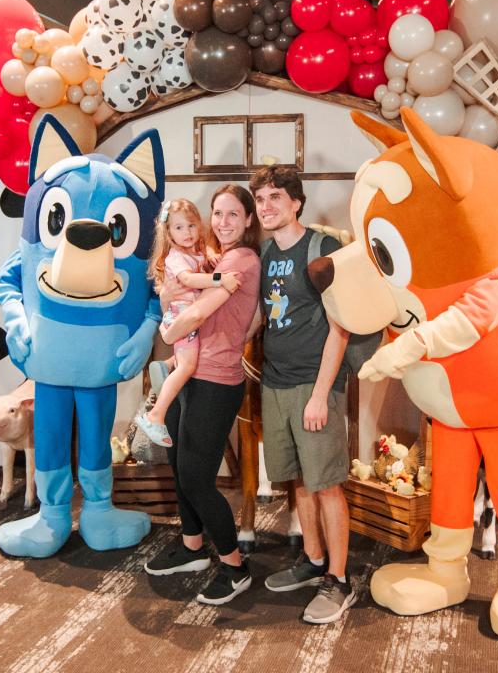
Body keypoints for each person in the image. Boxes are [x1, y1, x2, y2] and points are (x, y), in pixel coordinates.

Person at [143, 185, 261, 606]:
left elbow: (194, 314)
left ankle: (234, 566)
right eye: (218, 213)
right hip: (189, 374)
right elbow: (175, 293)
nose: (224, 222)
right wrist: (167, 298)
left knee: (196, 477)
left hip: (215, 381)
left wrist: (166, 328)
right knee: (178, 463)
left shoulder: (240, 259)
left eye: (233, 214)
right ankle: (193, 547)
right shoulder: (210, 256)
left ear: (249, 220)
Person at [250, 164, 354, 625]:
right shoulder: (268, 252)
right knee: (296, 478)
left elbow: (340, 328)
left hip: (314, 387)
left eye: (275, 197)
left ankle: (339, 579)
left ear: (295, 201)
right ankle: (312, 560)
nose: (267, 207)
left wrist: (320, 394)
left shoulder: (322, 249)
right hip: (274, 383)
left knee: (326, 483)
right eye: (260, 199)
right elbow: (266, 316)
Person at [134, 199, 240, 447]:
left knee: (189, 358)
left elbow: (204, 260)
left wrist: (212, 257)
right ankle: (155, 415)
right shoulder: (175, 258)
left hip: (186, 319)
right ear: (168, 233)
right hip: (182, 319)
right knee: (188, 366)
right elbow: (190, 280)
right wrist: (220, 278)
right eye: (179, 228)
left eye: (192, 226)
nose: (187, 233)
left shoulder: (194, 253)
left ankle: (167, 365)